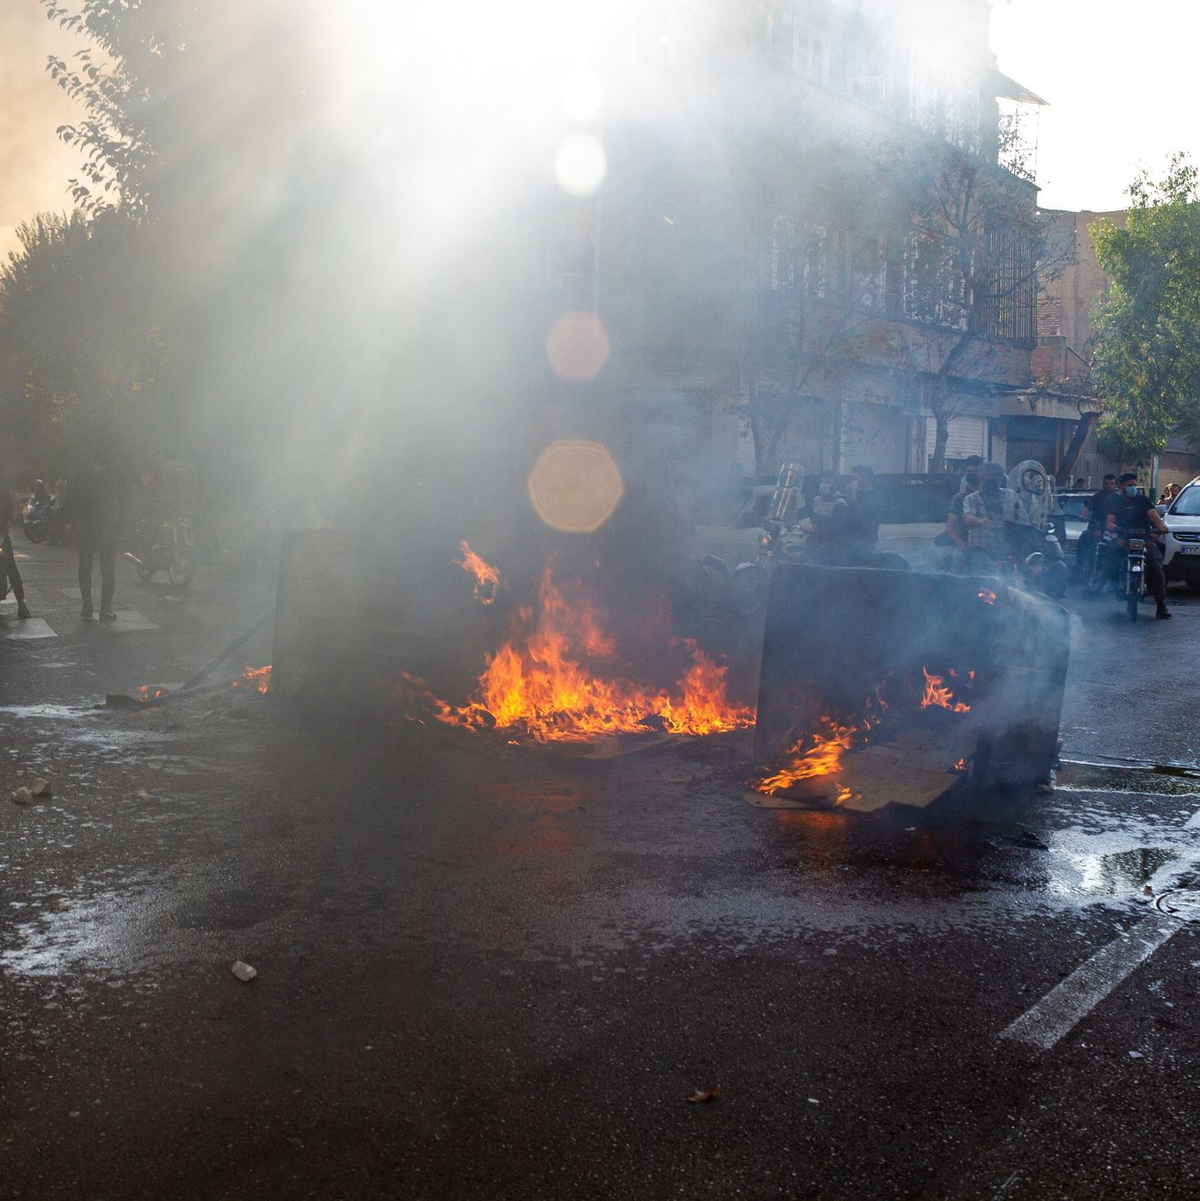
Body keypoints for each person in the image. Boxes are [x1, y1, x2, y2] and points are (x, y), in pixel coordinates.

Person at [69, 452, 122, 621]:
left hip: (86, 529)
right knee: (108, 570)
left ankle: (87, 604)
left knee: (85, 566)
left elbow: (72, 502)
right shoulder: (112, 479)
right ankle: (105, 609)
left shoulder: (82, 479)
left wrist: (76, 523)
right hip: (106, 529)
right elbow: (118, 504)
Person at [1112, 471, 1171, 619]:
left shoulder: (1143, 501)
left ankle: (1161, 605)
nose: (1132, 488)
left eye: (1134, 485)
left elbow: (1155, 518)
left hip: (1145, 539)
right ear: (1121, 487)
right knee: (1109, 555)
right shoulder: (1115, 502)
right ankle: (1111, 585)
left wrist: (1160, 528)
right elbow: (1110, 520)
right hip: (1124, 539)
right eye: (1129, 485)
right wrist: (1112, 529)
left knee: (1156, 567)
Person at [962, 462, 1022, 572]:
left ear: (1000, 480)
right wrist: (980, 521)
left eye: (993, 480)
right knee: (987, 571)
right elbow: (968, 519)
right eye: (986, 480)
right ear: (980, 479)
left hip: (1006, 550)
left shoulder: (1011, 496)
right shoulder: (972, 498)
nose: (990, 484)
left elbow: (1023, 521)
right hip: (980, 551)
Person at [1, 472, 32, 620]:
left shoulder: (5, 491)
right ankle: (22, 605)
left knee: (10, 566)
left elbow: (12, 513)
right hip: (2, 534)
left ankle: (22, 604)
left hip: (1, 536)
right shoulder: (5, 489)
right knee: (11, 567)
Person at [802, 472, 851, 565]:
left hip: (833, 546)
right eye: (822, 481)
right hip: (816, 542)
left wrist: (813, 530)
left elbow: (836, 528)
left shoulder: (840, 503)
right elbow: (805, 512)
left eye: (828, 482)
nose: (824, 484)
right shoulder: (817, 499)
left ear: (835, 484)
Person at [1079, 474, 1119, 577]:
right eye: (1106, 484)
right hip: (1097, 528)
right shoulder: (1097, 497)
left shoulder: (1119, 499)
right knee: (1085, 537)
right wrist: (1083, 515)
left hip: (1113, 531)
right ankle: (1079, 567)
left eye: (1111, 484)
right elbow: (1088, 506)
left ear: (1115, 485)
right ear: (1103, 484)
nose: (1109, 486)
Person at [946, 464, 982, 572]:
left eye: (975, 472)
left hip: (984, 546)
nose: (972, 475)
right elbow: (950, 527)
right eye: (969, 472)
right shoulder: (959, 498)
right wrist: (960, 544)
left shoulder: (990, 496)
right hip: (964, 544)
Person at [846, 465, 880, 565]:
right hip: (854, 539)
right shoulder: (860, 494)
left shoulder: (873, 496)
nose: (854, 482)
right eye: (853, 479)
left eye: (856, 478)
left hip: (866, 539)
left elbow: (860, 516)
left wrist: (853, 496)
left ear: (866, 478)